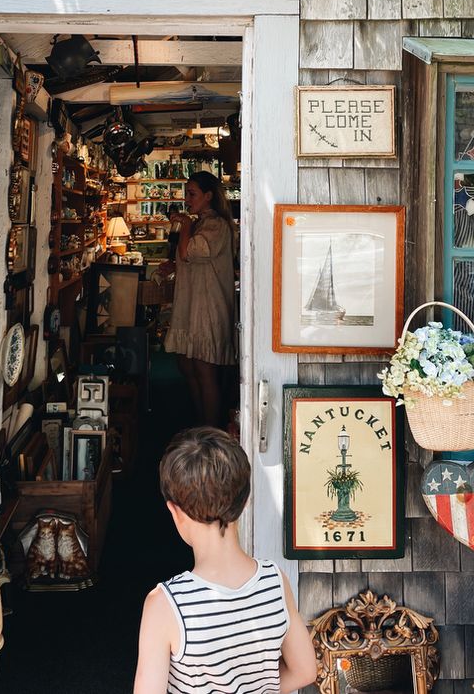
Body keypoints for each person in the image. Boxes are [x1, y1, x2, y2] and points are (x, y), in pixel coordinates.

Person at [134, 427, 317, 694]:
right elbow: (305, 671)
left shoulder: (165, 604)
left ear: (175, 511)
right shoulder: (275, 581)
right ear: (245, 502)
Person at [164, 172, 236, 427]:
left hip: (208, 306)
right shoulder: (201, 223)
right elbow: (186, 258)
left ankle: (211, 429)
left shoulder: (216, 225)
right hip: (192, 303)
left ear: (208, 196)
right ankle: (201, 422)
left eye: (192, 193)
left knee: (205, 372)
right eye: (186, 193)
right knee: (188, 365)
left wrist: (184, 224)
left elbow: (188, 252)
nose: (186, 199)